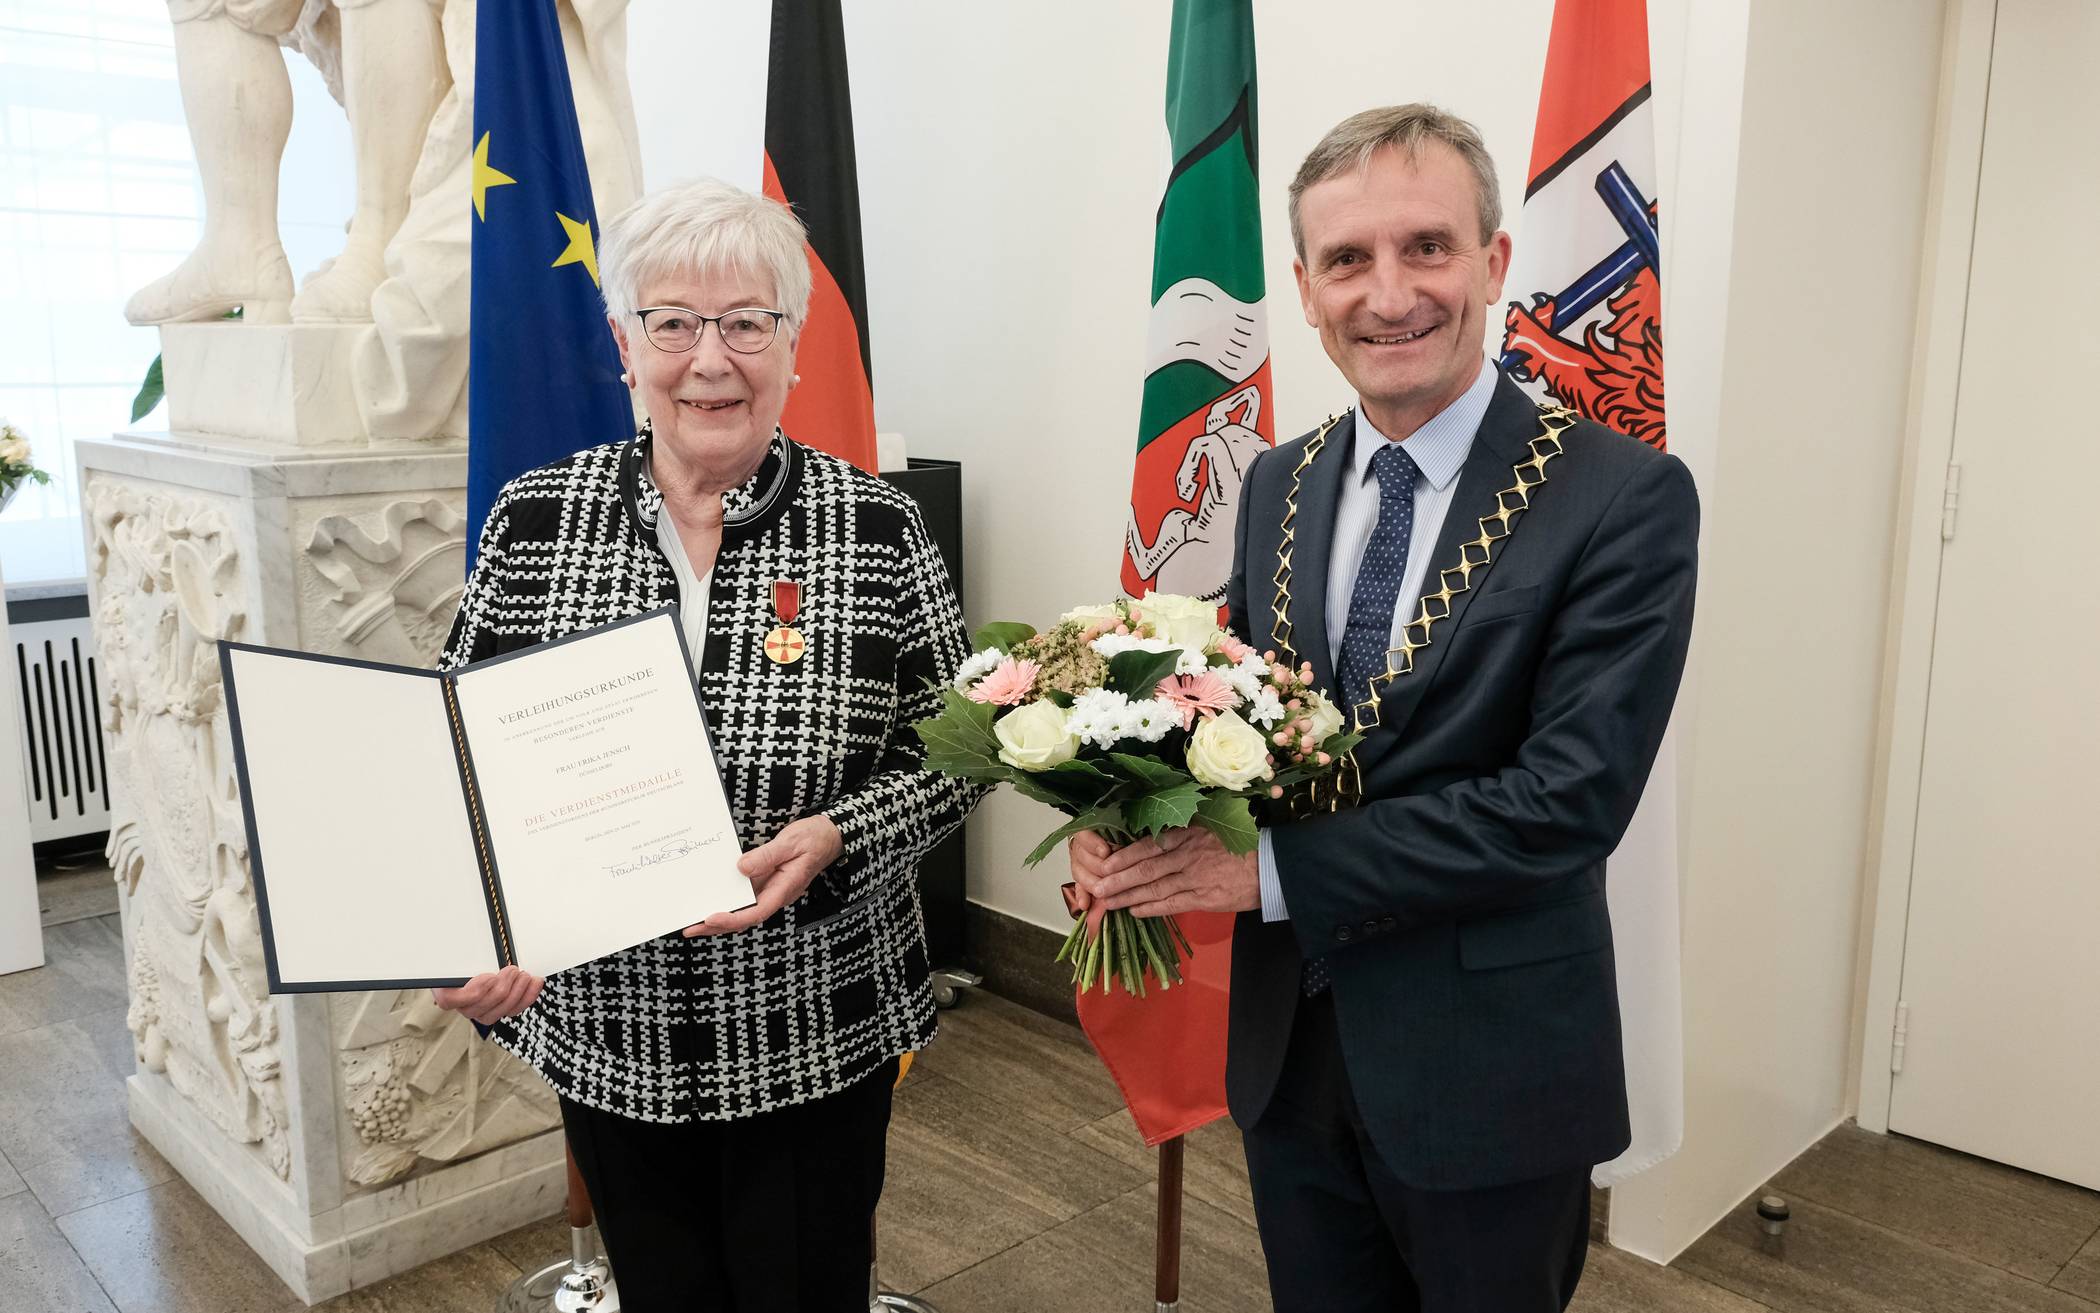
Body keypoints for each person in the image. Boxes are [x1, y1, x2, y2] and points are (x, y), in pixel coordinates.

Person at [1070, 104, 1699, 1312]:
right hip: (1288, 1051)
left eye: (1427, 246)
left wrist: (1259, 876)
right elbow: (1242, 727)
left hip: (1490, 1067)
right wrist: (1131, 812)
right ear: (1305, 290)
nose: (1390, 292)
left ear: (1495, 264)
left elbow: (1562, 806)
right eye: (1349, 259)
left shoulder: (1623, 499)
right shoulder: (1276, 479)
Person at [430, 177, 979, 1310]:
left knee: (807, 1287)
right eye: (672, 323)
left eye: (745, 322)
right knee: (665, 1289)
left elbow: (959, 748)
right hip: (610, 1023)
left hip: (816, 1013)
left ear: (793, 344)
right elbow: (457, 750)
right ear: (625, 344)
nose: (709, 358)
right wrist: (475, 922)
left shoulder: (878, 524)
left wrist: (842, 830)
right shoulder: (537, 518)